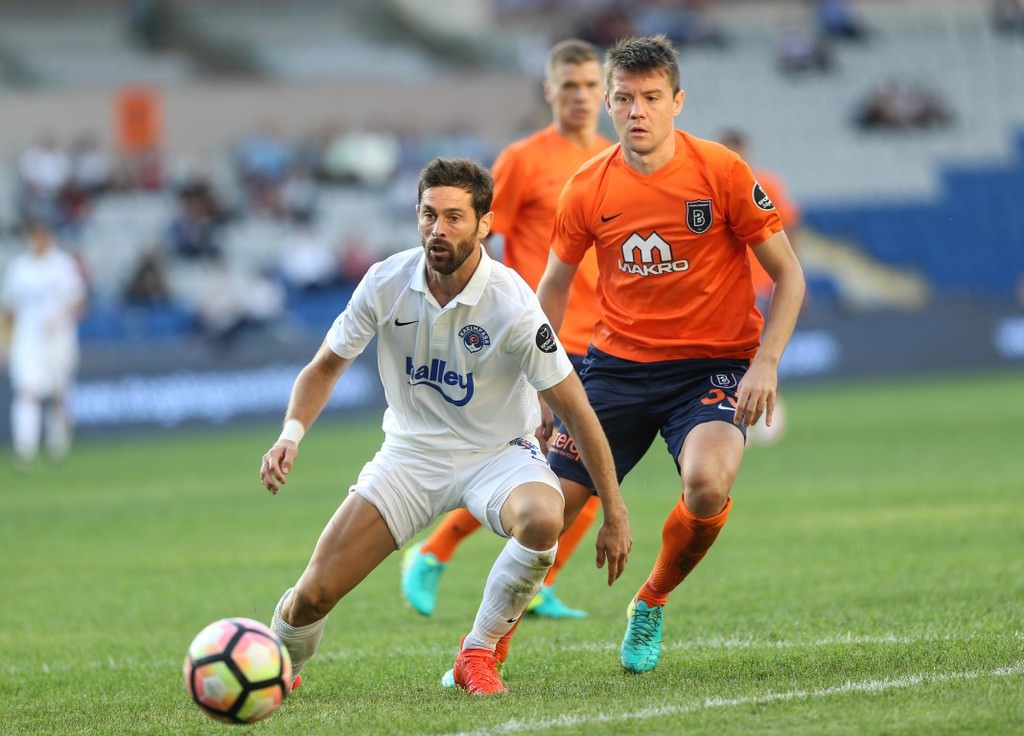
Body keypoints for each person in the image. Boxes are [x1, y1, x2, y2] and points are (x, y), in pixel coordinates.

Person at [259, 157, 631, 696]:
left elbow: (576, 410)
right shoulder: (385, 281)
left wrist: (615, 511)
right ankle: (270, 669)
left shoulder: (513, 303)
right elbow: (325, 368)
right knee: (312, 596)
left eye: (455, 217)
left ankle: (477, 653)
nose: (438, 229)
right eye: (429, 214)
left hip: (498, 454)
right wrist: (290, 435)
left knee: (543, 516)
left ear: (484, 225)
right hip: (409, 456)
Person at [534, 35, 805, 674]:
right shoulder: (586, 187)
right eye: (625, 98)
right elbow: (551, 288)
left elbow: (789, 276)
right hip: (616, 369)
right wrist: (541, 382)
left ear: (677, 101)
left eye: (652, 97)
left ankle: (651, 600)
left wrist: (766, 363)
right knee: (547, 511)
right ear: (608, 104)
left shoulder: (723, 172)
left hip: (713, 367)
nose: (638, 111)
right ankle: (483, 650)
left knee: (707, 485)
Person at [401, 38, 612, 621]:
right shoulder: (523, 160)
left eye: (590, 85)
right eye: (568, 86)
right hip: (539, 332)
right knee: (532, 464)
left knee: (589, 471)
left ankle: (536, 583)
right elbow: (482, 237)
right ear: (549, 91)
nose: (580, 96)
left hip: (604, 335)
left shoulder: (612, 161)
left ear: (603, 92)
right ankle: (433, 552)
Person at [719, 129, 802, 446]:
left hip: (764, 282)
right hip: (729, 286)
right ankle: (739, 409)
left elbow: (789, 226)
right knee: (736, 352)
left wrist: (795, 271)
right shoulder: (710, 187)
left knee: (762, 348)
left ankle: (769, 406)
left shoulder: (764, 185)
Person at [0, 220, 87, 469]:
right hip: (27, 341)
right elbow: (9, 310)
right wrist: (3, 343)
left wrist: (62, 319)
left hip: (58, 339)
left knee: (58, 394)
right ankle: (24, 450)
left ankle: (57, 447)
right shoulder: (19, 268)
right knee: (26, 392)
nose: (35, 241)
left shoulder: (63, 265)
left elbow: (80, 301)